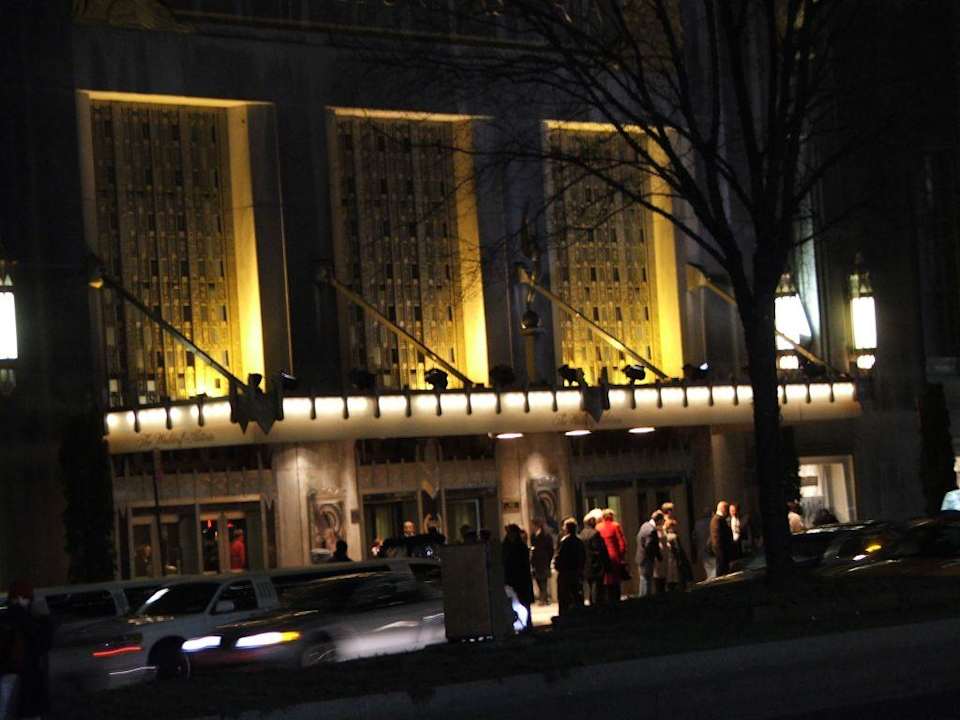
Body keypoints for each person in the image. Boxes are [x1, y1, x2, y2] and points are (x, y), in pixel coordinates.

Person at [0, 580, 51, 720]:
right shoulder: (29, 620)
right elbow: (44, 643)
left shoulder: (5, 618)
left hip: (10, 681)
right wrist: (45, 619)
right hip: (28, 682)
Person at [502, 524, 534, 631]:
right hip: (512, 580)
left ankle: (526, 624)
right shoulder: (507, 546)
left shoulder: (519, 546)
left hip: (520, 580)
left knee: (524, 602)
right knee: (513, 603)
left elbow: (523, 564)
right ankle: (515, 624)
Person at [554, 518, 586, 615]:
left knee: (564, 597)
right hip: (576, 572)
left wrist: (557, 566)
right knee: (577, 595)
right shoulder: (579, 541)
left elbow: (559, 557)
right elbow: (583, 557)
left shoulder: (565, 541)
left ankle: (565, 615)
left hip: (565, 573)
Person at [597, 508, 627, 606]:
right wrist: (621, 556)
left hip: (602, 557)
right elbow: (622, 543)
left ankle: (607, 601)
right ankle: (616, 602)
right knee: (615, 581)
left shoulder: (598, 527)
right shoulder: (615, 526)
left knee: (605, 581)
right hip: (614, 557)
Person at [579, 509, 609, 607]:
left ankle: (591, 603)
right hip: (595, 565)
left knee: (589, 585)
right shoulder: (595, 534)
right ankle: (597, 605)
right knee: (597, 587)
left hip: (585, 565)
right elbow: (599, 550)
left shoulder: (582, 534)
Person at [635, 510, 663, 597]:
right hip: (647, 559)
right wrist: (658, 556)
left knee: (643, 579)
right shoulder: (652, 530)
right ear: (658, 520)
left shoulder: (644, 525)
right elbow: (650, 546)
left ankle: (642, 598)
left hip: (640, 557)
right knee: (647, 580)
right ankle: (646, 600)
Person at [664, 518, 693, 591]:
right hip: (676, 558)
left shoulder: (666, 536)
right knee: (679, 575)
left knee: (671, 577)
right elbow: (678, 548)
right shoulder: (674, 536)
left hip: (670, 559)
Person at [530, 518, 554, 606]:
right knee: (538, 580)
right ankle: (544, 597)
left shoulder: (546, 535)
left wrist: (549, 559)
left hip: (544, 560)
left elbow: (550, 549)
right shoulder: (533, 535)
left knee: (543, 580)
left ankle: (543, 598)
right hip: (536, 561)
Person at [710, 501, 735, 577]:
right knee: (721, 573)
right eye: (727, 509)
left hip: (723, 552)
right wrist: (721, 554)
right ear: (723, 509)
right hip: (721, 553)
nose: (728, 512)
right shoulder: (717, 520)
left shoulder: (719, 519)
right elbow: (717, 539)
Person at [693, 507, 715, 580]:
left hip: (703, 551)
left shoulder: (697, 524)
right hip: (713, 550)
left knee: (708, 571)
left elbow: (695, 538)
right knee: (714, 572)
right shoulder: (713, 521)